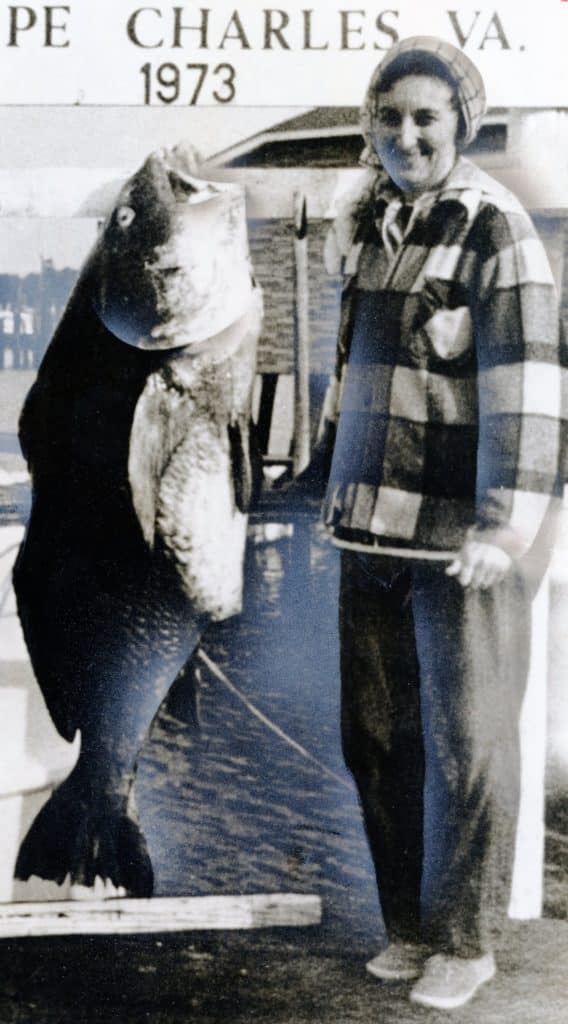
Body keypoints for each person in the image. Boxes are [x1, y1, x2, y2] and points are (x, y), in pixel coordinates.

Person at [314, 36, 566, 1010]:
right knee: (376, 735)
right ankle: (408, 927)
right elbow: (351, 383)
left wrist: (502, 529)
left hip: (462, 541)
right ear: (371, 127)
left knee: (467, 741)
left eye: (425, 117)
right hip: (368, 527)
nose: (405, 134)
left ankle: (464, 940)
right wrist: (322, 493)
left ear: (459, 123)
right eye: (390, 117)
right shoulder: (371, 220)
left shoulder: (492, 226)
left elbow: (529, 393)